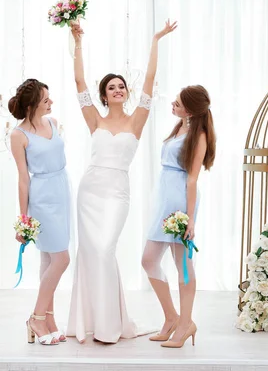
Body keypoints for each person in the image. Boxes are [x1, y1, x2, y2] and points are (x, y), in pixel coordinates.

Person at [66, 20, 177, 343]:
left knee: (104, 249)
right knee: (92, 253)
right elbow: (78, 80)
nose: (118, 90)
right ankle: (96, 322)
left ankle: (111, 323)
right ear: (104, 95)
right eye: (112, 87)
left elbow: (151, 80)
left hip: (117, 192)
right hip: (90, 190)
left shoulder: (136, 119)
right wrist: (77, 41)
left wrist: (156, 39)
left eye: (121, 86)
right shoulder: (94, 119)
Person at [141, 85, 216, 348]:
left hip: (180, 202)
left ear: (191, 109)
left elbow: (193, 178)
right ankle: (172, 318)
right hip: (165, 199)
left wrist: (190, 217)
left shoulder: (200, 135)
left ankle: (185, 324)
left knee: (183, 264)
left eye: (178, 102)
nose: (172, 104)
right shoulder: (180, 128)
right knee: (149, 260)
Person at [10, 79, 71, 345]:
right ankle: (36, 317)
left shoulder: (53, 123)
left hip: (62, 190)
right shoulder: (18, 135)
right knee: (61, 259)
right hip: (42, 197)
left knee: (49, 261)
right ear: (33, 104)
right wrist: (23, 219)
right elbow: (23, 178)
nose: (51, 103)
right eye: (46, 100)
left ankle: (49, 318)